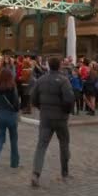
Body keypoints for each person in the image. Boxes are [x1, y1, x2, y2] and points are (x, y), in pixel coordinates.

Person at [30, 57, 74, 188]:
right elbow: (69, 99)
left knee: (41, 146)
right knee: (64, 144)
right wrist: (66, 112)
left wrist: (41, 108)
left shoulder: (41, 80)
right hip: (60, 118)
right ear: (60, 66)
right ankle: (64, 172)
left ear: (48, 66)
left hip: (46, 118)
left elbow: (33, 98)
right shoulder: (64, 80)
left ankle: (35, 174)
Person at [0, 68, 20, 170]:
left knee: (0, 138)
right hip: (11, 116)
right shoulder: (12, 87)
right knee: (14, 140)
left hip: (0, 115)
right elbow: (16, 103)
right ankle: (14, 163)